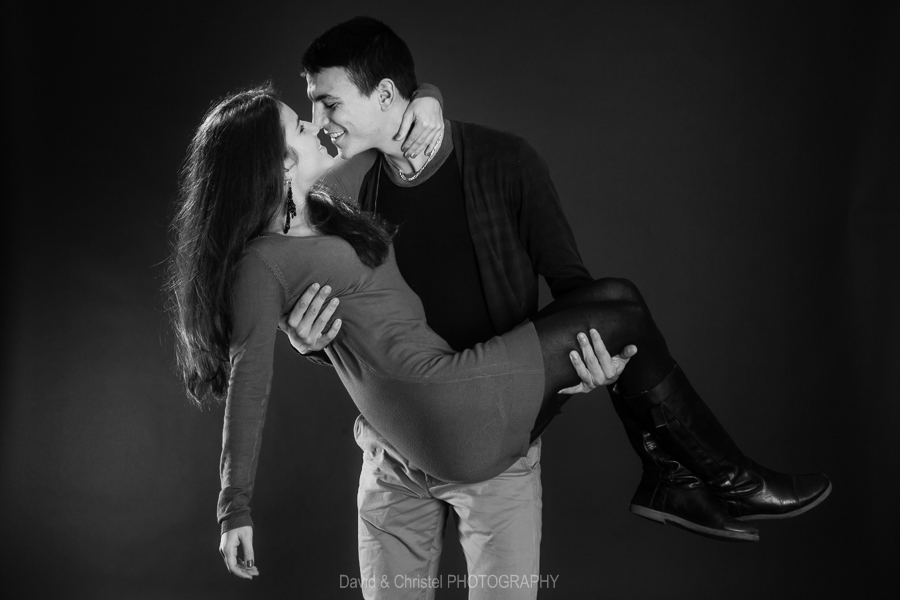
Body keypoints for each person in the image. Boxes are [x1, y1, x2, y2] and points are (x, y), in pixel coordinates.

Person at [168, 86, 831, 592]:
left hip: (450, 393)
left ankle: (676, 471)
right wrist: (235, 511)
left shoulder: (326, 201)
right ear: (278, 160)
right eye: (304, 125)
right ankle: (715, 476)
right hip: (446, 406)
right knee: (622, 310)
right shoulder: (263, 260)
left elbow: (400, 122)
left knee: (619, 300)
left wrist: (426, 98)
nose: (321, 127)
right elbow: (249, 378)